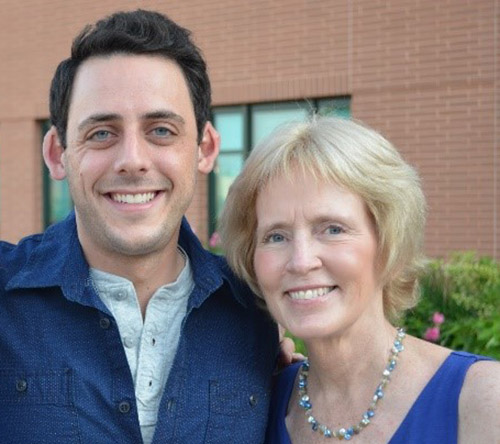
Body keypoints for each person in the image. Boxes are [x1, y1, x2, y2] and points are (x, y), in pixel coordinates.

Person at [0, 10, 281, 444]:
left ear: (205, 149)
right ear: (58, 154)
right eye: (101, 133)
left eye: (161, 130)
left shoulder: (258, 309)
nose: (132, 160)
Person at [219, 116, 500, 443]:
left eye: (332, 229)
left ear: (388, 243)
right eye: (276, 236)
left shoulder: (482, 401)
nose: (301, 261)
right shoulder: (255, 405)